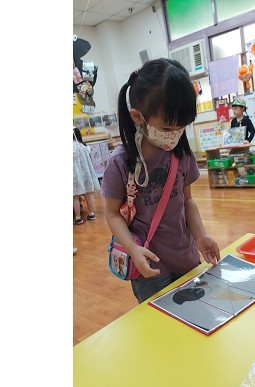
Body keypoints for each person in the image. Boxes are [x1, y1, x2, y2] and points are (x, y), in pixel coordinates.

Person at [101, 58, 221, 304]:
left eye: (181, 127)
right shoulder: (121, 162)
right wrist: (133, 250)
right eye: (167, 128)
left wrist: (200, 235)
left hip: (187, 258)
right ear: (138, 117)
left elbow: (188, 201)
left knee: (196, 314)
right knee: (161, 322)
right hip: (149, 267)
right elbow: (112, 214)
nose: (175, 135)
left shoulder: (181, 154)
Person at [73, 127, 100, 224]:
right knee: (87, 195)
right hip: (86, 175)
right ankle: (91, 213)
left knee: (75, 197)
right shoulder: (83, 146)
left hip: (75, 176)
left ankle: (78, 217)